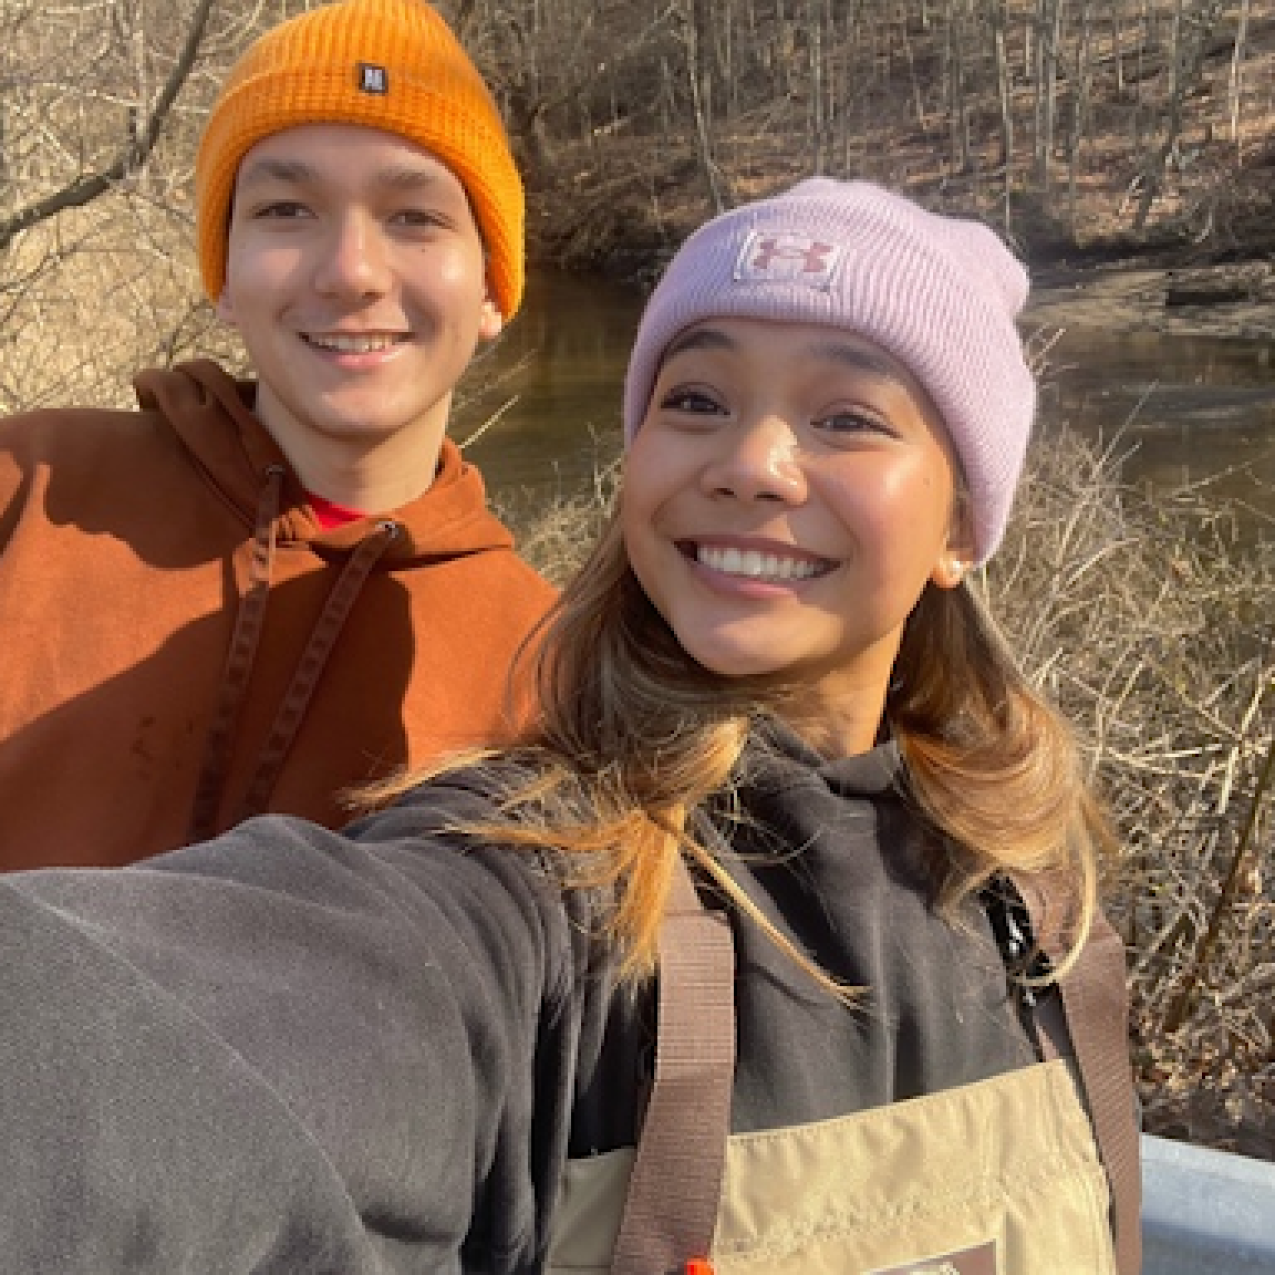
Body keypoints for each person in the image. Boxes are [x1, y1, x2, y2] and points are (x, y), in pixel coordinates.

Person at [0, 180, 1140, 1273]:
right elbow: (191, 1038)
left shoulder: (1039, 900)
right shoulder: (539, 891)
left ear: (962, 526)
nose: (750, 465)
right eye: (696, 400)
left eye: (847, 417)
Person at [0, 0, 555, 869]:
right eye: (287, 210)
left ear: (492, 290)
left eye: (414, 216)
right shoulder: (30, 486)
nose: (351, 273)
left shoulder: (543, 665)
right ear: (222, 276)